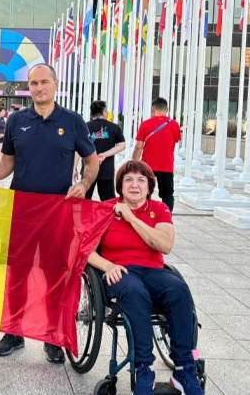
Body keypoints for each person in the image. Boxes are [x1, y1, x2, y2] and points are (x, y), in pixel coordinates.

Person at [0, 63, 99, 363]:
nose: (39, 88)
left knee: (54, 275)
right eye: (33, 83)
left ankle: (52, 336)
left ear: (55, 84)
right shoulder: (17, 119)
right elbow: (7, 163)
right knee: (16, 273)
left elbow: (92, 161)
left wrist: (83, 183)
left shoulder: (72, 121)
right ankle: (13, 332)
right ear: (27, 87)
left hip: (58, 211)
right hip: (22, 211)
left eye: (44, 82)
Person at [87, 160, 202, 395]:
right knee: (135, 293)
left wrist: (131, 218)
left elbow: (164, 244)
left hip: (154, 270)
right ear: (120, 185)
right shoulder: (107, 208)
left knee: (178, 289)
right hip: (120, 271)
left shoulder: (159, 210)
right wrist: (107, 265)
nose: (135, 185)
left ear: (150, 186)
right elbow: (85, 250)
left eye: (141, 180)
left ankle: (184, 368)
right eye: (128, 179)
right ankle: (143, 368)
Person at [133, 97, 181, 212]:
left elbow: (139, 146)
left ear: (153, 109)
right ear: (167, 109)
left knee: (145, 192)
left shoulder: (145, 124)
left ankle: (144, 215)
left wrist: (134, 162)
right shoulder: (174, 125)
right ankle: (167, 218)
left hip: (147, 165)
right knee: (167, 195)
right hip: (167, 165)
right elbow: (176, 140)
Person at [84, 100, 125, 201]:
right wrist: (105, 154)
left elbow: (77, 148)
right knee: (108, 201)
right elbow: (122, 145)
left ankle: (84, 217)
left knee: (84, 198)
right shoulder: (114, 127)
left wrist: (74, 168)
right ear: (104, 112)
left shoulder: (85, 126)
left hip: (88, 169)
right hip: (106, 170)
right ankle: (108, 217)